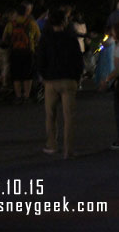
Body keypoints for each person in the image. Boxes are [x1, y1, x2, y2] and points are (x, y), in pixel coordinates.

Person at [36, 9, 84, 159]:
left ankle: (51, 144)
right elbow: (78, 61)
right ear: (65, 22)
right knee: (69, 116)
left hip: (50, 80)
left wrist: (43, 75)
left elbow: (39, 60)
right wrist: (77, 78)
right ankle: (68, 149)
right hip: (68, 80)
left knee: (50, 114)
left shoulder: (45, 39)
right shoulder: (71, 39)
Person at [2, 4, 41, 103]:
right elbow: (38, 37)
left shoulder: (11, 24)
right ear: (26, 12)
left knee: (16, 75)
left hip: (15, 52)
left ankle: (18, 96)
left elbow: (4, 38)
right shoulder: (32, 23)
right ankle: (27, 96)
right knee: (28, 75)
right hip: (28, 51)